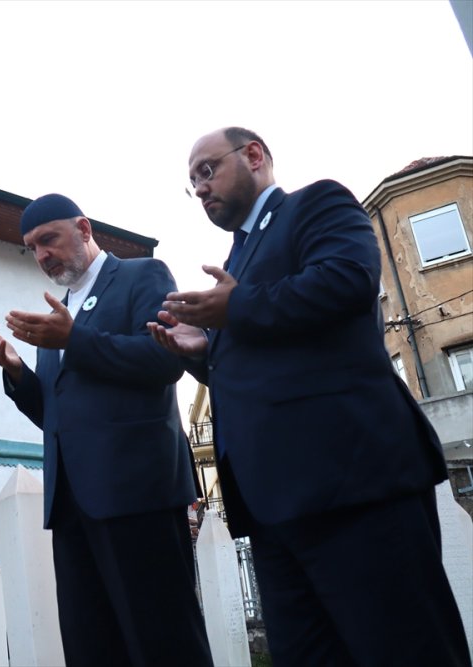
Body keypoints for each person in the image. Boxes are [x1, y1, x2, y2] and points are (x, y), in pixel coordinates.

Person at [149, 127, 471, 666]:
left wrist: (237, 310)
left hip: (351, 483)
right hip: (271, 507)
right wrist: (202, 353)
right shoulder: (239, 262)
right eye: (191, 183)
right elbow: (262, 365)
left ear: (254, 156)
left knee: (405, 649)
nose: (200, 188)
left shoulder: (317, 204)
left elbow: (348, 279)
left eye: (207, 170)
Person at [0, 194, 212, 666]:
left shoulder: (141, 276)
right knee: (92, 645)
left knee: (162, 640)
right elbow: (57, 416)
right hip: (72, 506)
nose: (42, 255)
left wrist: (75, 340)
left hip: (136, 494)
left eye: (49, 239)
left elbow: (165, 360)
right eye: (32, 248)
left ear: (84, 229)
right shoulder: (57, 316)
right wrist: (19, 372)